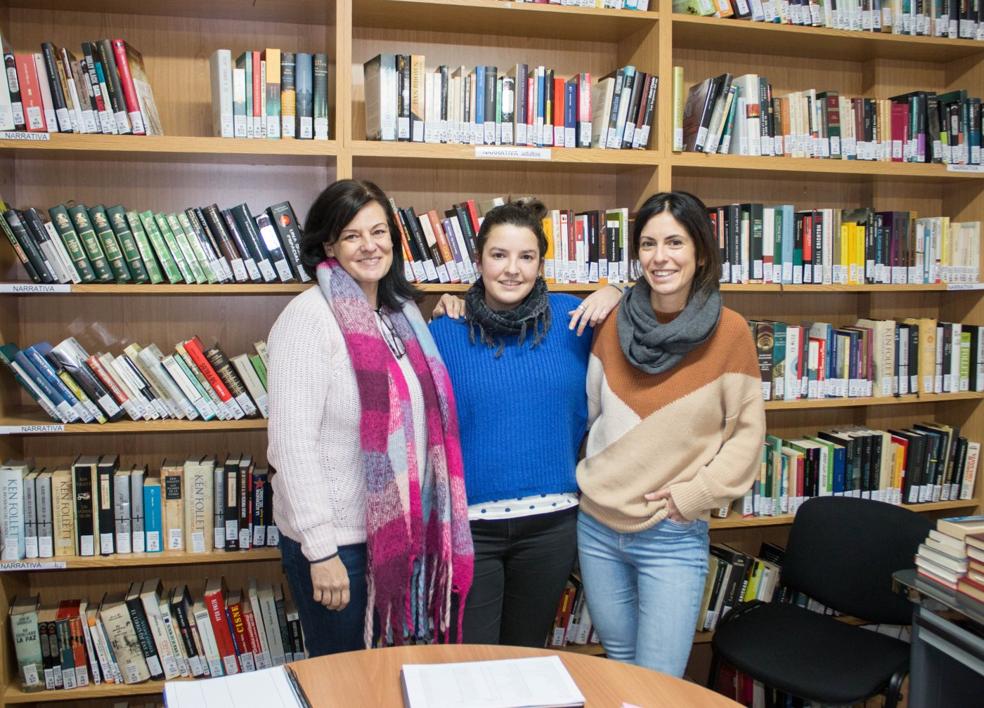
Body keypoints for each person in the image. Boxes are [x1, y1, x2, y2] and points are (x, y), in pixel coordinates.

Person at [266, 179, 473, 656]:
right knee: (344, 682)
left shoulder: (401, 315)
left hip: (401, 535)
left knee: (388, 674)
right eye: (353, 235)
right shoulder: (307, 319)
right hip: (338, 544)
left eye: (378, 232)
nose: (369, 245)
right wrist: (320, 551)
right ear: (328, 245)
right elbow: (291, 446)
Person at [575, 191, 766, 677]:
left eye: (675, 242)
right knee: (619, 664)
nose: (660, 257)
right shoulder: (613, 320)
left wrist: (697, 495)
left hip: (671, 532)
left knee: (659, 679)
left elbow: (747, 435)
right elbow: (590, 414)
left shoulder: (731, 333)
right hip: (596, 525)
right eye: (648, 244)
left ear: (700, 251)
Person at [429, 199, 620, 647]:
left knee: (526, 656)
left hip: (552, 529)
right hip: (470, 529)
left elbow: (656, 319)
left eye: (526, 256)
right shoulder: (442, 332)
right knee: (470, 662)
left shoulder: (577, 321)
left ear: (540, 263)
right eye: (499, 255)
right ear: (478, 261)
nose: (511, 269)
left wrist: (620, 291)